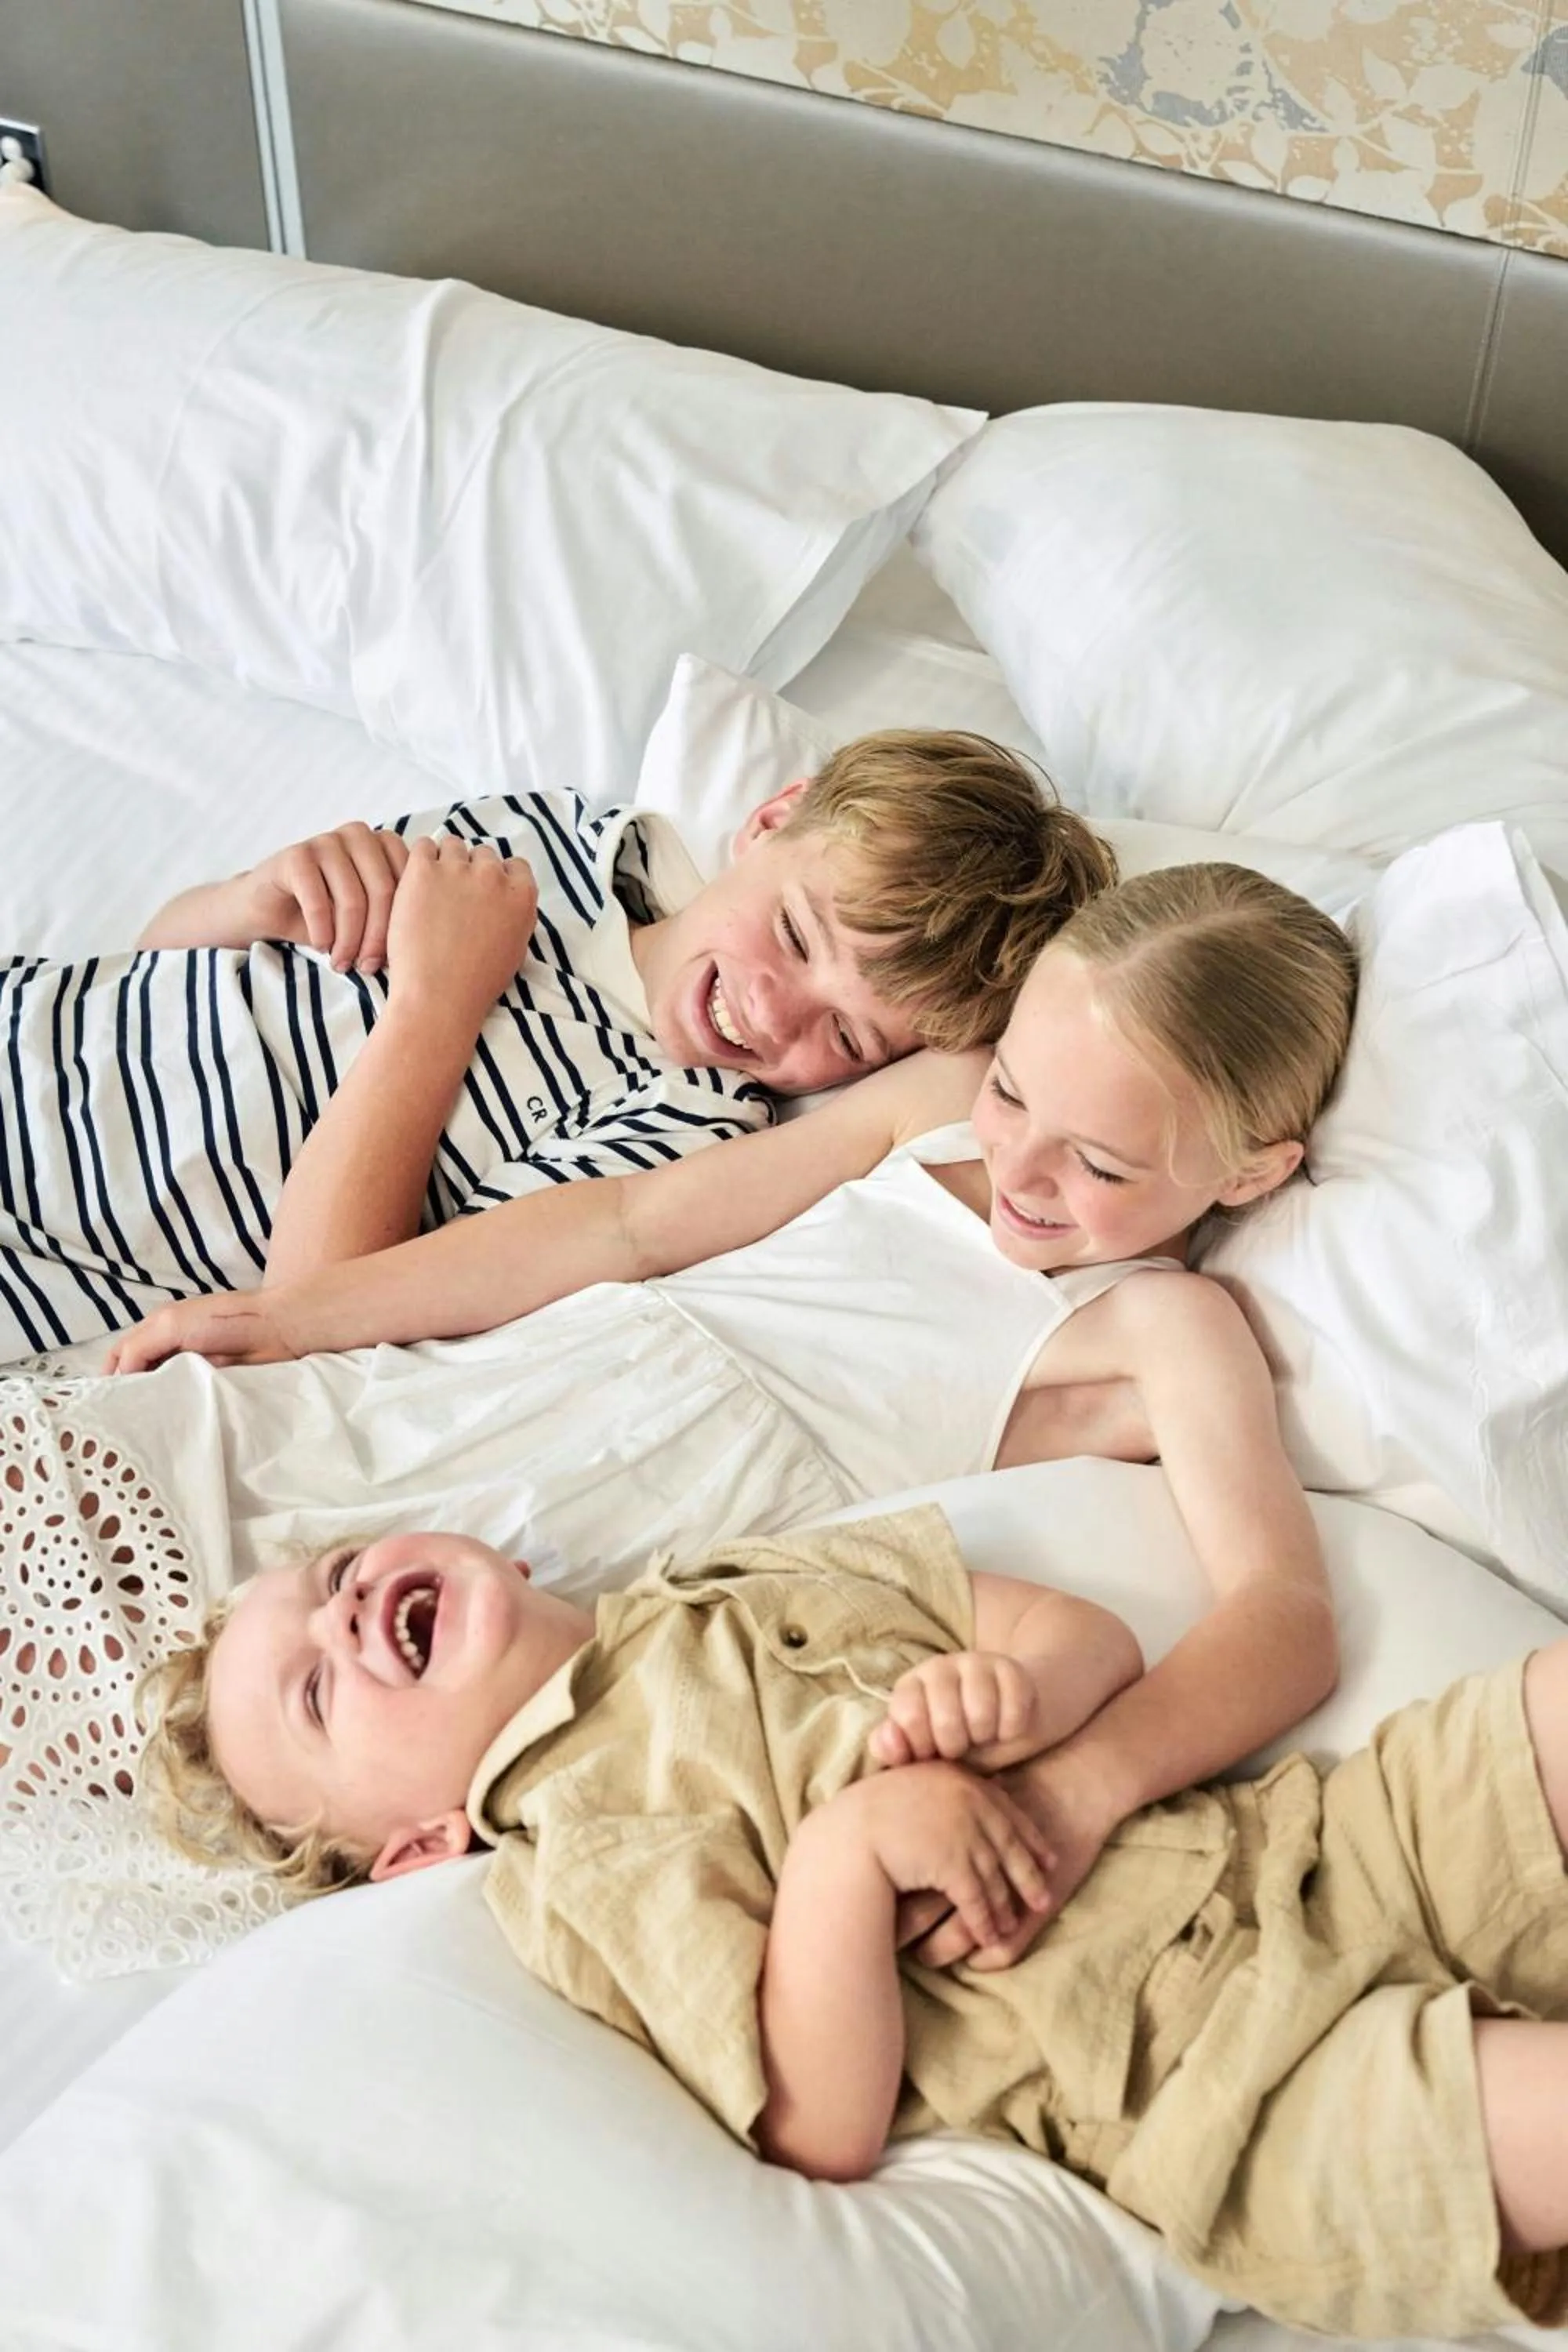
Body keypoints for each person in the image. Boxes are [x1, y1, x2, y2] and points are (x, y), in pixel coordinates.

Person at [92, 864, 1354, 1984]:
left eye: (1101, 1166)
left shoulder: (1161, 1332)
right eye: (1018, 1092)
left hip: (575, 1545)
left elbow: (1285, 1619)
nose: (1020, 1168)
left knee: (174, 1770)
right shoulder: (938, 1104)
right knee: (109, 1505)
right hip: (480, 1393)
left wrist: (1080, 1793)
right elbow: (628, 1228)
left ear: (1251, 1172)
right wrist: (298, 1315)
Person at [141, 1500, 1568, 2341]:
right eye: (316, 1692)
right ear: (416, 1848)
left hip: (1307, 1844)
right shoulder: (570, 1864)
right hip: (1207, 2088)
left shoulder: (742, 1579)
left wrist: (1020, 1692)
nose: (342, 1617)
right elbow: (814, 2126)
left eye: (331, 1579)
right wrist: (846, 1856)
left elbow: (1083, 1638)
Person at [0, 729, 1109, 1361]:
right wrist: (249, 900)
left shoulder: (685, 1128)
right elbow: (153, 969)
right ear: (773, 820)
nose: (777, 1015)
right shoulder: (549, 844)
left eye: (849, 1035)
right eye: (792, 935)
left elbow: (318, 1305)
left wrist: (436, 1004)